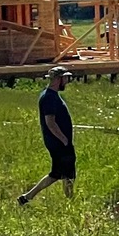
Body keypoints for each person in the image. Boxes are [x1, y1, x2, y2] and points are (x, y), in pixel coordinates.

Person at [19, 66, 76, 205]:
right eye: (65, 78)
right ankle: (28, 197)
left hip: (59, 142)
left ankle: (28, 197)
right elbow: (50, 122)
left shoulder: (51, 95)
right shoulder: (49, 97)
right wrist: (63, 139)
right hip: (58, 142)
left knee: (64, 172)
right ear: (58, 79)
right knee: (60, 173)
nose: (67, 81)